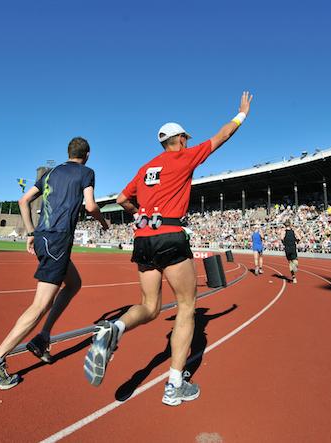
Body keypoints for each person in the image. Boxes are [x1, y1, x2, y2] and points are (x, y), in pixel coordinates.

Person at [83, 91, 253, 407]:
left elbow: (121, 199)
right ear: (179, 140)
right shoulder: (183, 157)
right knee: (187, 305)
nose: (188, 142)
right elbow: (222, 136)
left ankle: (116, 327)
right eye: (186, 139)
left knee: (149, 306)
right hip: (170, 235)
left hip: (143, 238)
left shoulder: (146, 167)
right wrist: (241, 114)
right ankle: (174, 385)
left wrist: (140, 213)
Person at [0, 137, 108, 390]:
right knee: (40, 305)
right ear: (87, 154)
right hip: (58, 240)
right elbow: (90, 206)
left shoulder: (51, 173)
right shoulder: (86, 172)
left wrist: (31, 232)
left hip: (44, 237)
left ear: (68, 152)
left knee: (74, 283)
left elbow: (23, 201)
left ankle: (43, 336)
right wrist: (103, 222)